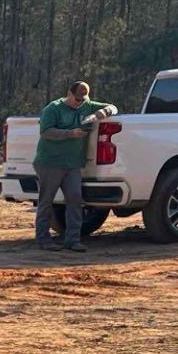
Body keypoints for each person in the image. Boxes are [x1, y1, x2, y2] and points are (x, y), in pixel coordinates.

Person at [34, 80, 116, 253]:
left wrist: (100, 114)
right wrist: (70, 134)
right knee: (46, 201)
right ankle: (43, 239)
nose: (79, 102)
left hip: (73, 164)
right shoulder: (53, 109)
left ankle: (73, 240)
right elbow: (46, 132)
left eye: (82, 99)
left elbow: (113, 107)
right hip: (51, 162)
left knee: (75, 200)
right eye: (77, 99)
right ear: (69, 94)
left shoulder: (87, 105)